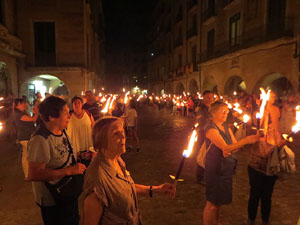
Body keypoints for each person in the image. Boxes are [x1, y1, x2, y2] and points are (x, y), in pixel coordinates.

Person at [83, 116, 176, 225]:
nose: (123, 136)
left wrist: (155, 189)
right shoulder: (97, 178)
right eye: (116, 134)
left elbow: (123, 188)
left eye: (122, 132)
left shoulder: (117, 160)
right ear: (101, 140)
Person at [27, 96, 87, 225]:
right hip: (53, 199)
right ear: (52, 117)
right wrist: (69, 171)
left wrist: (83, 155)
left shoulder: (62, 131)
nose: (69, 116)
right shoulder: (41, 139)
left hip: (68, 193)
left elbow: (64, 154)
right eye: (65, 113)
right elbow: (34, 174)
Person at [203, 101, 259, 225]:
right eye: (222, 111)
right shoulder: (210, 128)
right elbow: (226, 148)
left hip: (226, 168)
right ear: (213, 112)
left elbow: (235, 147)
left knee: (219, 202)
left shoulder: (227, 127)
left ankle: (216, 222)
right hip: (215, 169)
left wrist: (247, 139)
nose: (225, 113)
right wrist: (244, 141)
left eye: (226, 111)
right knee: (212, 203)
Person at [13, 98, 38, 179]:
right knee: (27, 156)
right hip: (25, 137)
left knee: (27, 155)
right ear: (16, 106)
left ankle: (28, 174)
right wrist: (37, 112)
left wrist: (34, 113)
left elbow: (32, 121)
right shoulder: (19, 114)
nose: (23, 104)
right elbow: (33, 119)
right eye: (21, 104)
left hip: (27, 136)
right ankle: (28, 174)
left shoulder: (22, 113)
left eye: (23, 103)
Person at [195, 90, 215, 184]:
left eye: (211, 97)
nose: (210, 98)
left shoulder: (214, 108)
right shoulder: (201, 108)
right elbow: (200, 120)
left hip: (212, 134)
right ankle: (200, 176)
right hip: (203, 134)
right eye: (208, 97)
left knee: (210, 155)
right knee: (202, 154)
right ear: (204, 98)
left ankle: (208, 174)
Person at [67, 96, 94, 160]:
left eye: (79, 102)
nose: (77, 105)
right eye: (75, 103)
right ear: (72, 105)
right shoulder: (69, 115)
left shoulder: (88, 114)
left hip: (88, 145)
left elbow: (93, 126)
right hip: (75, 147)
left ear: (82, 104)